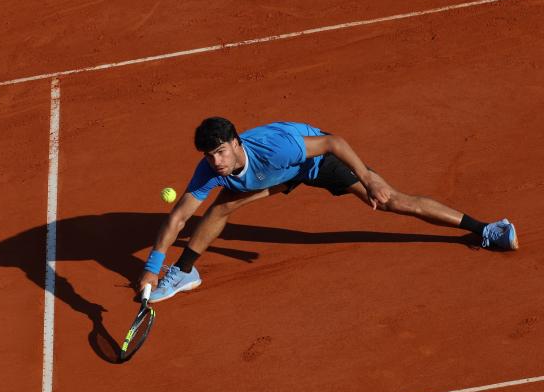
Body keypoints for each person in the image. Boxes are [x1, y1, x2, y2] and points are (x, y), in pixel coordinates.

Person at [138, 117, 518, 303]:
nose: (216, 162)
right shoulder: (210, 171)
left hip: (313, 164)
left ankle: (486, 228)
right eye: (210, 155)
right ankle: (183, 273)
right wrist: (152, 269)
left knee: (392, 200)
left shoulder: (278, 146)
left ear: (237, 144)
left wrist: (368, 178)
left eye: (221, 151)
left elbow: (334, 142)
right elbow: (179, 217)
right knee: (218, 211)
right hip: (276, 178)